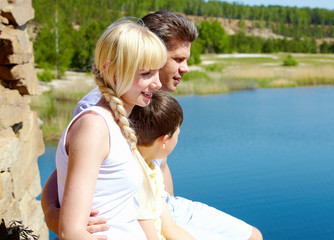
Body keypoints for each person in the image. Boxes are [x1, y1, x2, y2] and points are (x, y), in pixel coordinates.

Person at [41, 11, 262, 240]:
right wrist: (51, 213)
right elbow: (66, 177)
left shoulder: (145, 100)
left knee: (253, 236)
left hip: (164, 208)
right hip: (148, 217)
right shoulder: (96, 119)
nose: (185, 68)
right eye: (177, 59)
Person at [54, 19, 167, 240]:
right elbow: (72, 231)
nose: (158, 83)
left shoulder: (115, 123)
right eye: (146, 74)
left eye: (157, 72)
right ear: (111, 70)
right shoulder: (94, 127)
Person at [131, 91, 193, 240]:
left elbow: (169, 227)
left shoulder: (152, 167)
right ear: (164, 140)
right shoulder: (136, 176)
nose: (178, 137)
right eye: (177, 133)